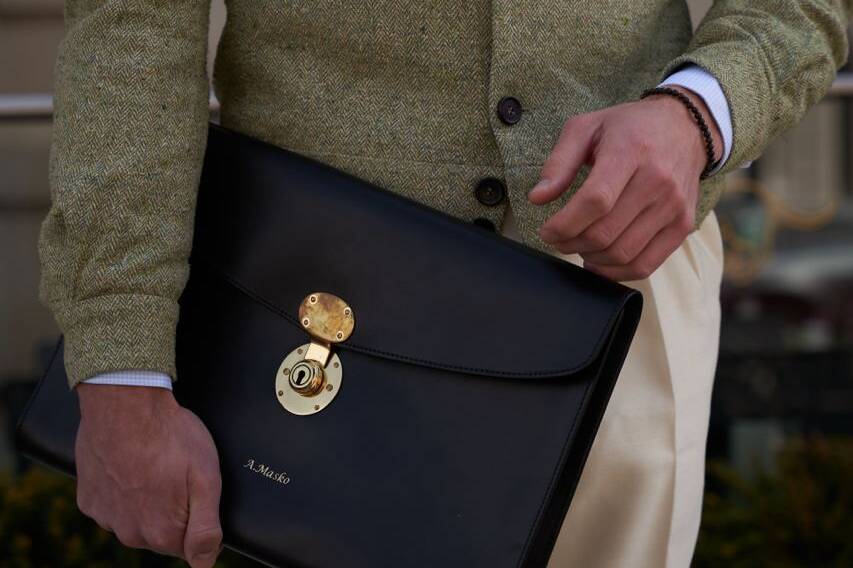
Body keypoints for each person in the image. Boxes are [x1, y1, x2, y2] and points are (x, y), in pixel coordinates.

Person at [38, 1, 851, 567]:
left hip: (619, 293)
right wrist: (121, 366)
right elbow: (129, 27)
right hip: (300, 323)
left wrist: (698, 113)